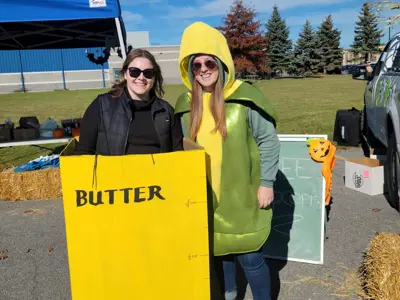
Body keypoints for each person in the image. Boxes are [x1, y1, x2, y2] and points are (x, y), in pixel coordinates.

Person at [174, 22, 280, 300]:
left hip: (242, 193)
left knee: (250, 258)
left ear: (221, 64)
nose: (204, 69)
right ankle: (230, 294)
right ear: (190, 70)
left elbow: (268, 141)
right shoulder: (185, 106)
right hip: (204, 195)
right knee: (219, 251)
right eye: (196, 65)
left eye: (210, 61)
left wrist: (266, 183)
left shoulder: (244, 98)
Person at [75, 48, 184, 155]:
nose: (141, 77)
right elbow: (84, 152)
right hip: (113, 172)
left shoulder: (166, 111)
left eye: (148, 73)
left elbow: (178, 155)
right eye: (134, 72)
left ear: (154, 77)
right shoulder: (102, 106)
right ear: (125, 74)